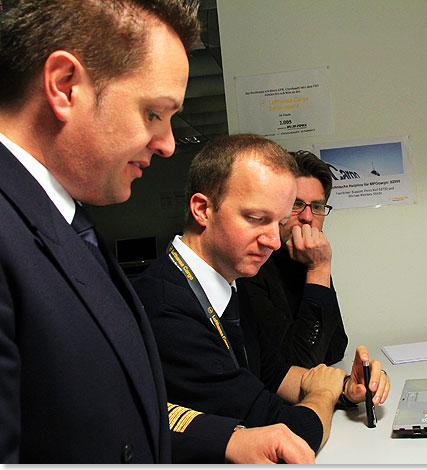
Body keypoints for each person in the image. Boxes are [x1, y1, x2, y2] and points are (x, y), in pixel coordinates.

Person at [0, 0, 313, 464]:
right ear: (65, 86)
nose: (168, 144)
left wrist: (225, 440)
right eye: (153, 113)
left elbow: (91, 416)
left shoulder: (65, 220)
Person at [133, 134, 390, 452]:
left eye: (279, 222)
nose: (272, 239)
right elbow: (292, 435)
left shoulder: (226, 287)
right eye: (256, 219)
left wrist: (345, 386)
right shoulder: (166, 308)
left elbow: (278, 374)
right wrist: (323, 394)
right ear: (202, 209)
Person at [237, 150, 347, 368]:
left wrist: (317, 269)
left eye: (316, 206)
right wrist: (319, 269)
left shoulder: (309, 257)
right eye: (296, 204)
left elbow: (335, 347)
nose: (307, 217)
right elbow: (298, 364)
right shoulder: (250, 267)